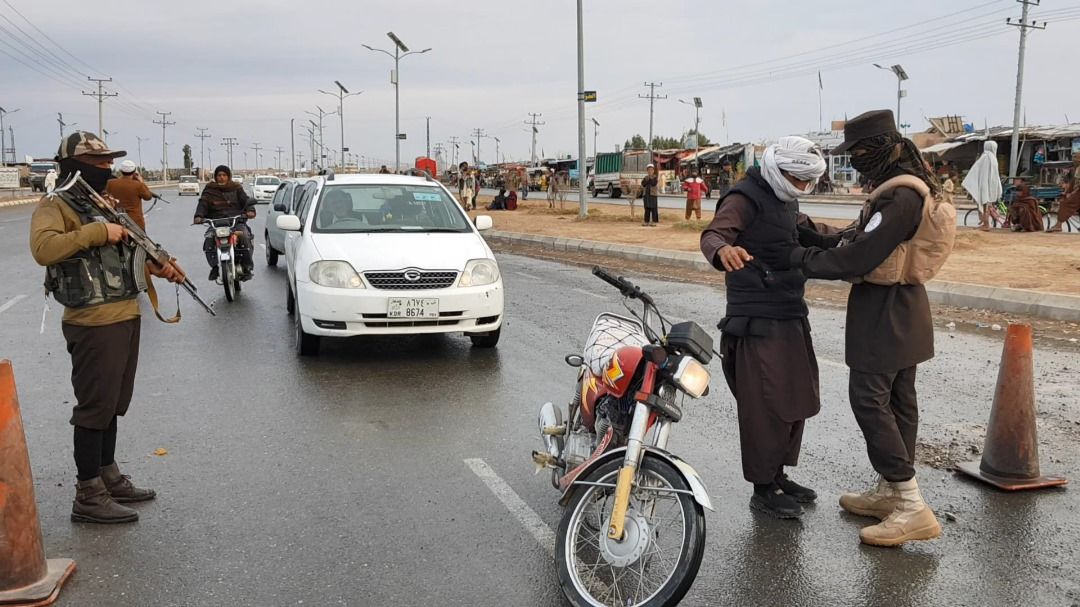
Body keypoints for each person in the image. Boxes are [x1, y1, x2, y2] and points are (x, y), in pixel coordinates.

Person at [783, 109, 953, 547]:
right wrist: (809, 232)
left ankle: (911, 505)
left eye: (858, 153)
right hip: (905, 312)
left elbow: (859, 257)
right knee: (898, 403)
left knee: (869, 401)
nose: (855, 162)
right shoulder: (899, 190)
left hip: (886, 314)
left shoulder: (900, 198)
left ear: (879, 150)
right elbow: (856, 239)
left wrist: (796, 259)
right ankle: (891, 491)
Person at [29, 131, 185, 524]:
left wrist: (159, 265)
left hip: (124, 313)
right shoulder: (56, 204)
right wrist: (97, 232)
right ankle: (88, 494)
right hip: (92, 320)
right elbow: (43, 249)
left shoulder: (101, 202)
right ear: (74, 165)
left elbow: (127, 248)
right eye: (98, 162)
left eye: (108, 161)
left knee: (113, 403)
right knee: (94, 408)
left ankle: (108, 476)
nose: (107, 168)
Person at [700, 136, 834, 519]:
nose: (802, 187)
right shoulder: (744, 198)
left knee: (795, 399)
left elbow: (808, 229)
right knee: (764, 407)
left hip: (790, 312)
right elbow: (713, 235)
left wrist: (856, 235)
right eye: (798, 179)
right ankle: (763, 488)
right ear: (778, 169)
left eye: (807, 181)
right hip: (756, 321)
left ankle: (778, 475)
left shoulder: (786, 199)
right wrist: (723, 251)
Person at [194, 165, 256, 281]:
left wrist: (250, 210)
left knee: (244, 236)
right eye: (219, 175)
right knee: (209, 239)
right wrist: (199, 216)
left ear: (228, 176)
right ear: (215, 176)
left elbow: (245, 200)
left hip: (235, 222)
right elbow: (203, 203)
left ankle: (247, 267)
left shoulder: (236, 188)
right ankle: (214, 267)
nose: (221, 177)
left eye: (224, 175)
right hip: (216, 223)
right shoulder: (210, 189)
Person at [962, 141, 1003, 232]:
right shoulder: (994, 159)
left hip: (984, 187)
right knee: (987, 206)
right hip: (991, 187)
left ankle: (986, 225)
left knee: (985, 207)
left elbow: (975, 171)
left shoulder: (985, 157)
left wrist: (969, 182)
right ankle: (985, 224)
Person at [105, 160, 154, 230]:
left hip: (117, 221)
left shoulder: (110, 183)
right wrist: (141, 182)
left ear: (121, 171)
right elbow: (148, 197)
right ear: (134, 171)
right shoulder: (138, 185)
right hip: (136, 223)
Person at [1048, 152, 1080, 232]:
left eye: (1075, 159)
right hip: (1077, 191)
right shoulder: (1076, 169)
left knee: (1065, 204)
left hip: (1078, 192)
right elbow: (1073, 182)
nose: (1073, 161)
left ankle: (1058, 225)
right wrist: (1067, 192)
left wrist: (1072, 193)